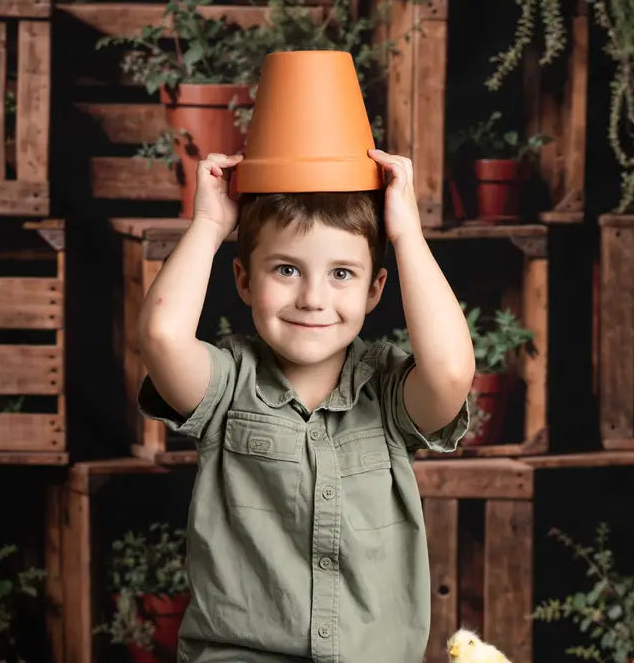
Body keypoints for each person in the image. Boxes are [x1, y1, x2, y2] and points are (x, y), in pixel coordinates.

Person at [136, 147, 476, 662]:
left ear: (375, 288)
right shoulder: (228, 385)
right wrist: (208, 224)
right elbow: (161, 336)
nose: (313, 298)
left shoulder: (385, 391)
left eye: (342, 273)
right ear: (245, 280)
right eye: (287, 270)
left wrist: (406, 234)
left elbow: (450, 371)